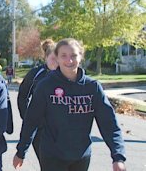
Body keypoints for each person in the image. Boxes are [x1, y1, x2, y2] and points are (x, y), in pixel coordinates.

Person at [13, 38, 126, 171]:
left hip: (81, 156)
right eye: (64, 56)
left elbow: (109, 123)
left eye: (73, 55)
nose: (69, 60)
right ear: (57, 58)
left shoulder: (92, 88)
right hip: (52, 155)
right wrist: (21, 151)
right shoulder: (45, 86)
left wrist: (118, 156)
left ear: (81, 57)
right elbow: (32, 121)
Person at [17, 39, 58, 165]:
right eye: (53, 58)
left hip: (63, 130)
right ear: (46, 57)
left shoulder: (67, 75)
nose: (57, 62)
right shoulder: (36, 74)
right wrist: (29, 118)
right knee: (47, 164)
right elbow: (23, 96)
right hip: (41, 130)